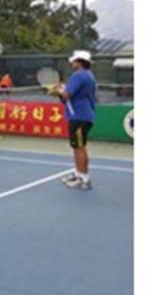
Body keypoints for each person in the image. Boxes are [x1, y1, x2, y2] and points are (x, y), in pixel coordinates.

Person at [57, 50, 98, 191]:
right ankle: (78, 174)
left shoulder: (79, 75)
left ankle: (84, 179)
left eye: (73, 61)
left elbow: (67, 95)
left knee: (80, 147)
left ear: (79, 62)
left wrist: (58, 91)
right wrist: (62, 91)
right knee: (77, 146)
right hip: (81, 115)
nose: (72, 63)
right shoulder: (88, 75)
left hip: (79, 116)